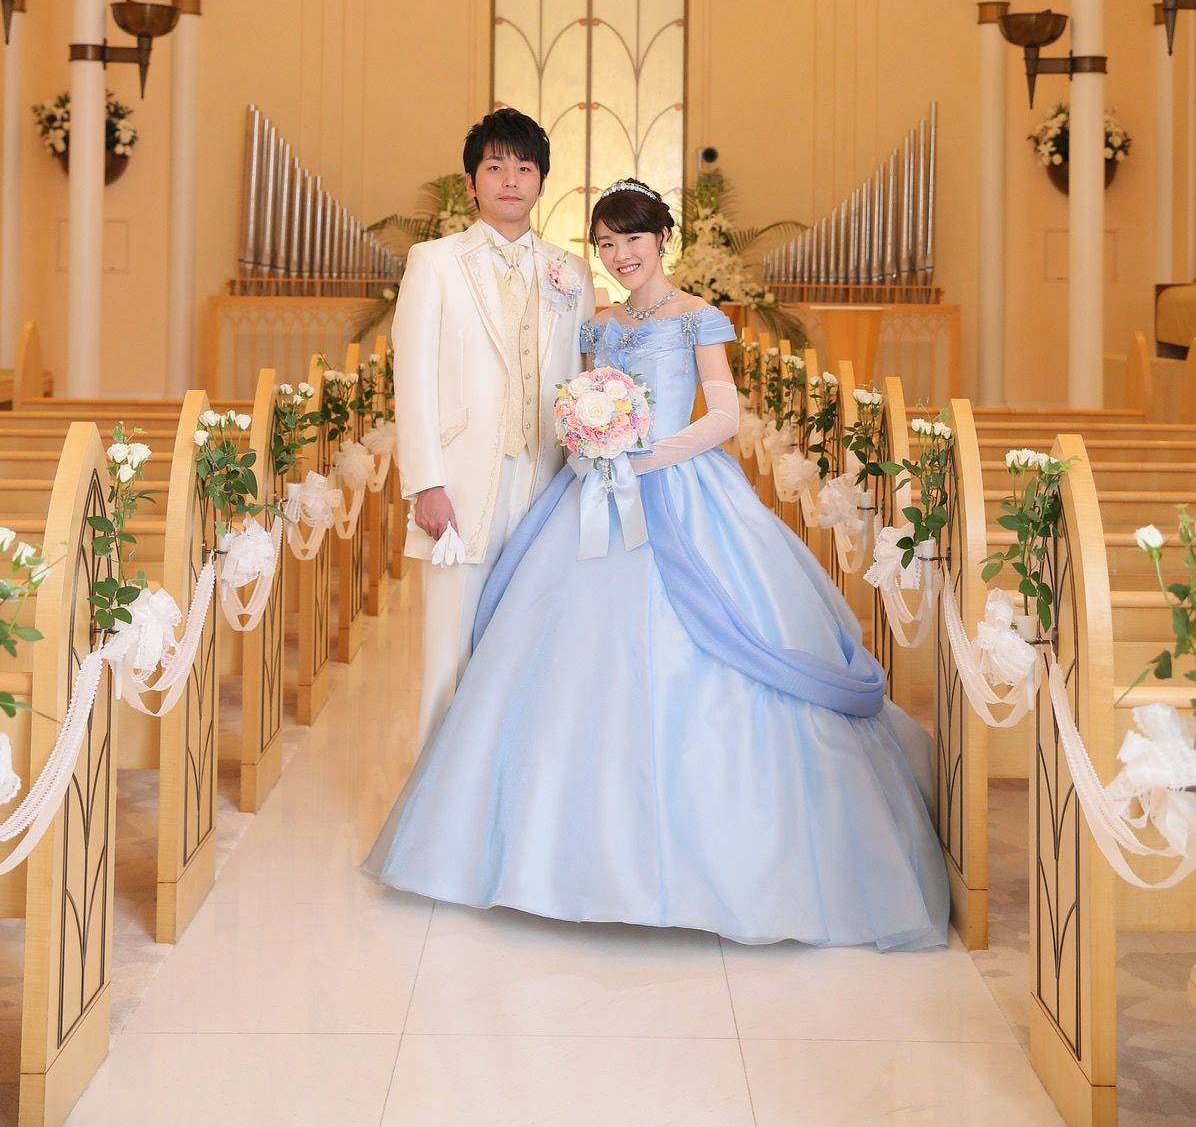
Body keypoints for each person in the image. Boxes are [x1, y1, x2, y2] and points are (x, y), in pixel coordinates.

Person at [369, 178, 949, 950]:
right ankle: (552, 853)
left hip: (679, 485)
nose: (620, 255)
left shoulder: (696, 316)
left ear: (662, 238)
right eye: (606, 243)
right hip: (593, 491)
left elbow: (726, 414)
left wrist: (648, 454)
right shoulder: (600, 323)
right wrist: (592, 438)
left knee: (712, 642)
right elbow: (573, 397)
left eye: (633, 239)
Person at [392, 107, 595, 748]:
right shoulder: (435, 262)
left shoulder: (571, 272)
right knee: (450, 651)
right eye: (496, 167)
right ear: (471, 182)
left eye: (525, 168)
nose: (511, 180)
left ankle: (510, 785)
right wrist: (426, 483)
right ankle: (436, 794)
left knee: (531, 647)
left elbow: (584, 374)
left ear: (542, 183)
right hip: (460, 484)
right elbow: (412, 377)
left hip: (548, 484)